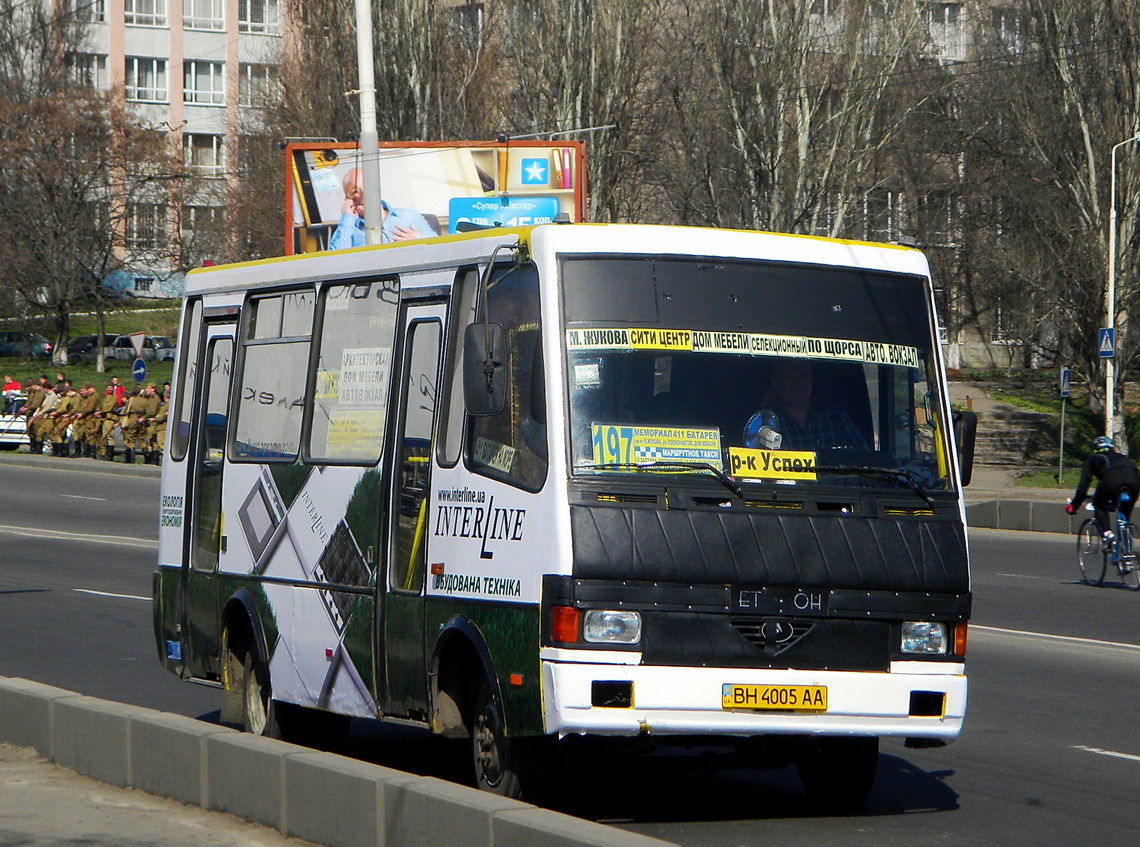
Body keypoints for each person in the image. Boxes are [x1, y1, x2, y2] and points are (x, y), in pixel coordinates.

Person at [745, 358, 867, 452]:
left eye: (804, 376)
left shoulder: (836, 417)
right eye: (791, 378)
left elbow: (863, 459)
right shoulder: (762, 422)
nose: (799, 384)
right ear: (776, 383)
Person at [327, 167, 436, 250]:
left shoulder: (410, 216)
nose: (364, 194)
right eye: (356, 191)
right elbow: (334, 264)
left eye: (368, 186)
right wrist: (347, 218)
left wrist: (419, 239)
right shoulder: (348, 229)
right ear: (348, 199)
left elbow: (440, 246)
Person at [1065, 436, 1140, 541]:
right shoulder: (1122, 456)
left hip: (1111, 480)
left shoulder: (1092, 459)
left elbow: (1083, 486)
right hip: (1134, 480)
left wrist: (1074, 505)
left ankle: (1107, 533)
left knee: (1099, 504)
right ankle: (1126, 538)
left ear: (1095, 449)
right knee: (1125, 512)